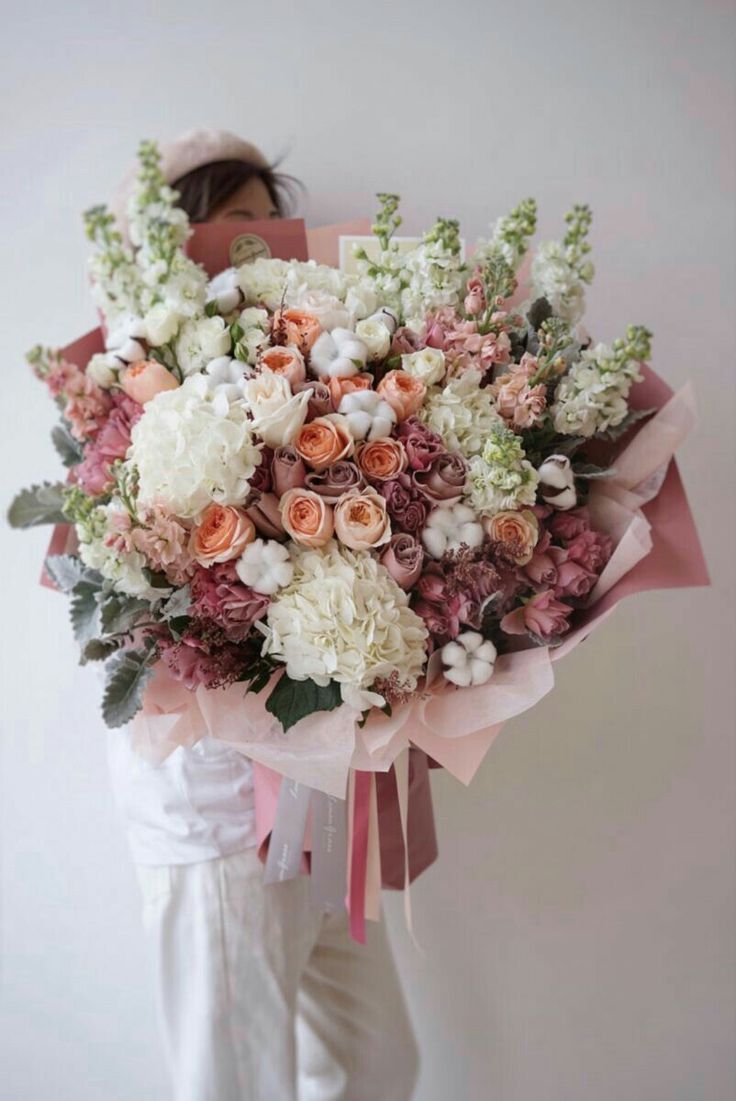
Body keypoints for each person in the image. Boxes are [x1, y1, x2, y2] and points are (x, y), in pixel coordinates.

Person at [107, 129, 420, 1101]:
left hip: (320, 790)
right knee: (233, 1084)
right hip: (215, 808)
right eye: (233, 226)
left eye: (265, 225)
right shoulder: (132, 392)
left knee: (378, 1063)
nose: (256, 247)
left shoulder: (316, 365)